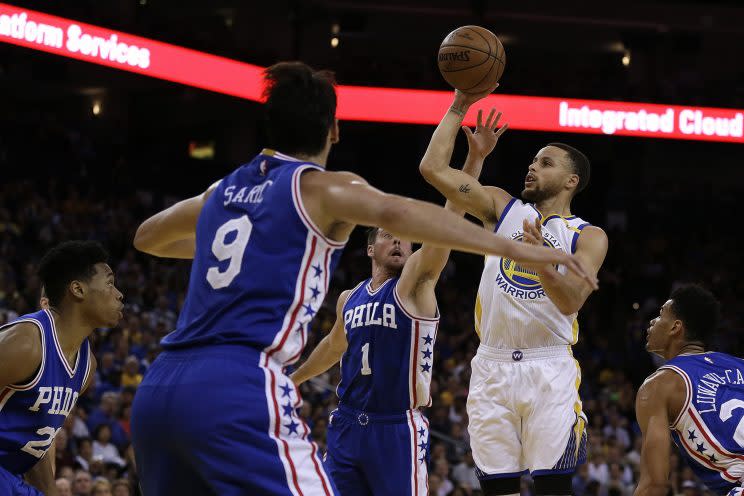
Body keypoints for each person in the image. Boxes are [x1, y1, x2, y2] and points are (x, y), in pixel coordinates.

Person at [130, 61, 595, 496]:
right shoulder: (323, 188)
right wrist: (511, 246)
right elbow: (402, 210)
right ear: (333, 130)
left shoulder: (223, 190)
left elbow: (147, 237)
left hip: (161, 382)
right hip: (241, 380)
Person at [291, 104, 505, 494]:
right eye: (389, 236)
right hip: (346, 424)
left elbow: (448, 224)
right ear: (370, 249)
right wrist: (294, 379)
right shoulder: (350, 297)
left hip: (396, 428)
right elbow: (333, 346)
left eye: (404, 239)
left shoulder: (414, 284)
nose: (399, 242)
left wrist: (473, 161)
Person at [419, 89, 608, 495]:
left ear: (571, 181)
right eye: (533, 160)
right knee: (496, 489)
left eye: (546, 162)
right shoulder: (504, 209)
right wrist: (459, 104)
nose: (532, 166)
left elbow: (571, 300)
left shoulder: (588, 237)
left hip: (549, 366)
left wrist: (540, 258)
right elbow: (433, 168)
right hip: (492, 365)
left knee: (552, 489)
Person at [0, 241, 122, 495]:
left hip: (12, 475)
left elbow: (40, 442)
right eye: (110, 283)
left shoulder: (87, 366)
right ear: (77, 289)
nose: (119, 294)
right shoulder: (26, 343)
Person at [635, 284, 743, 496]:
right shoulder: (740, 363)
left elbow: (654, 485)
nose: (652, 321)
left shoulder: (659, 384)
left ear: (675, 327)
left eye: (660, 315)